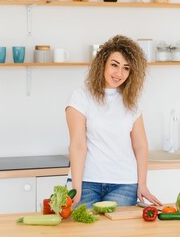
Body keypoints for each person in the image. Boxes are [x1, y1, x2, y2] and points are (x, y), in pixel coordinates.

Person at [65, 35, 162, 208]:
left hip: (124, 184)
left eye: (126, 68)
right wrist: (76, 188)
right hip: (87, 182)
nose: (119, 73)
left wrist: (142, 183)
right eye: (114, 65)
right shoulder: (81, 97)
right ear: (102, 63)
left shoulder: (131, 103)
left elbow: (140, 146)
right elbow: (78, 144)